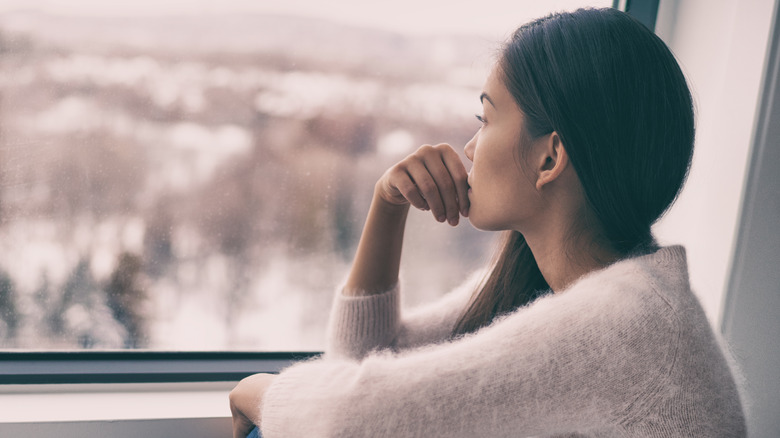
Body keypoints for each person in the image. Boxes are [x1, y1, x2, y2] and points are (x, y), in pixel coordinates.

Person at [229, 7, 746, 437]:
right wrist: (387, 207)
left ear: (550, 158)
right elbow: (361, 365)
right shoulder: (557, 277)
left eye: (486, 119)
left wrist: (259, 390)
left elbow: (347, 421)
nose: (471, 148)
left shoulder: (630, 324)